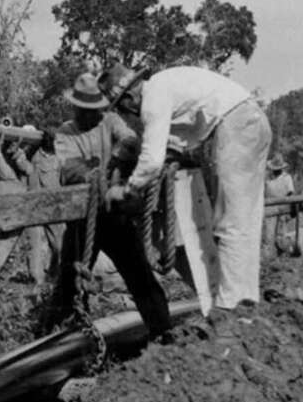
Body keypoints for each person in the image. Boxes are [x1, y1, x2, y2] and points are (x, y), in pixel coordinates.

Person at [99, 63, 272, 316]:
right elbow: (174, 142)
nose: (128, 114)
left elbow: (152, 160)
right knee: (243, 218)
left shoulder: (153, 99)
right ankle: (243, 299)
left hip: (239, 124)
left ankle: (232, 305)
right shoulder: (165, 88)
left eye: (123, 108)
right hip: (250, 120)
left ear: (128, 98)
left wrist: (127, 189)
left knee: (232, 221)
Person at [50, 72, 176, 341]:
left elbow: (130, 140)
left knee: (139, 273)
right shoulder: (65, 132)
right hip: (82, 216)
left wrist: (117, 159)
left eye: (93, 110)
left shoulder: (109, 120)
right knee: (70, 280)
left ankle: (163, 331)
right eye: (83, 110)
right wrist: (94, 175)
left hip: (113, 215)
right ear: (76, 107)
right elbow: (68, 168)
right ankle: (62, 338)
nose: (89, 115)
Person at [7, 129, 64, 285]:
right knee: (35, 244)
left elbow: (64, 181)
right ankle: (37, 280)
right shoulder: (33, 155)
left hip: (54, 205)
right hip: (33, 205)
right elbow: (25, 167)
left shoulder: (60, 158)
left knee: (59, 243)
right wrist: (18, 154)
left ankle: (55, 274)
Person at [263, 154, 297, 256]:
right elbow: (262, 191)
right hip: (270, 208)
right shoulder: (267, 178)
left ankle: (283, 255)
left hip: (283, 208)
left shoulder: (287, 178)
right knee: (269, 235)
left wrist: (289, 207)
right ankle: (268, 257)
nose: (275, 171)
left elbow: (291, 193)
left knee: (282, 234)